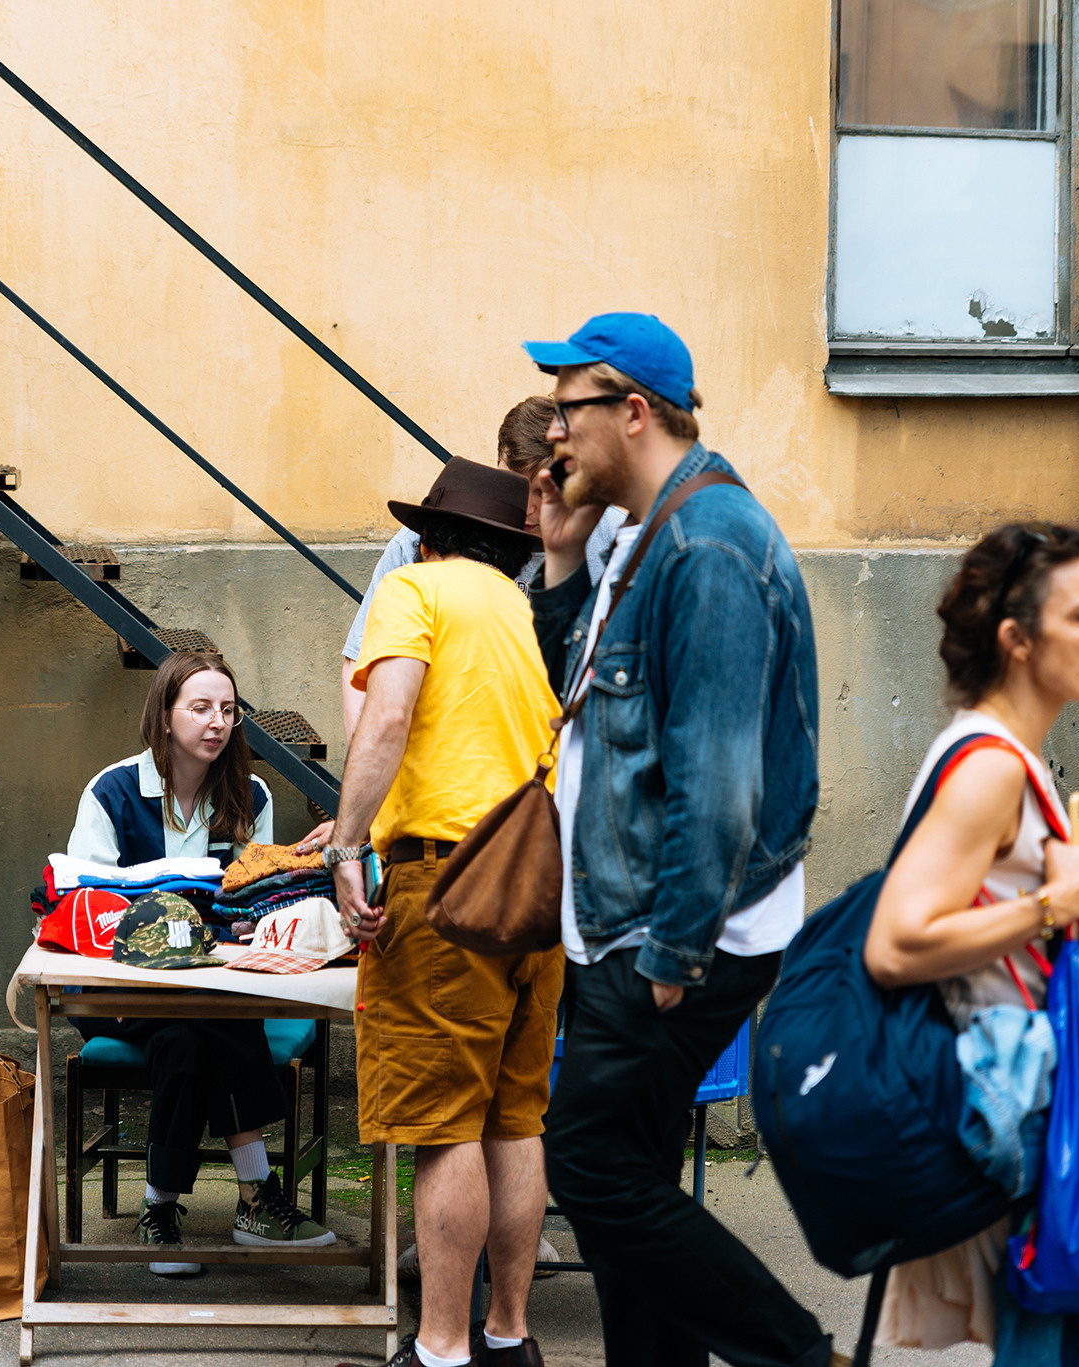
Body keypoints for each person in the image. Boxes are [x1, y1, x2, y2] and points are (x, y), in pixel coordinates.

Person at [526, 313, 830, 1367]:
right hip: (629, 921)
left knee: (589, 1164)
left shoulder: (707, 546)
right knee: (634, 1173)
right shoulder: (638, 536)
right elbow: (581, 699)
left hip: (668, 933)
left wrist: (668, 956)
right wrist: (561, 563)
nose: (553, 434)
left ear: (633, 411)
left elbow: (717, 783)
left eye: (568, 409)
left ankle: (791, 1350)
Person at [865, 524, 1079, 1367]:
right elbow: (897, 943)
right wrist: (1055, 903)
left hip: (1019, 1101)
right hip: (1016, 1108)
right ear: (1017, 642)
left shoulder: (1003, 755)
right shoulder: (989, 767)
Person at [324, 457, 563, 1367]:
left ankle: (440, 1350)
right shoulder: (527, 618)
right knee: (515, 1118)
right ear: (509, 552)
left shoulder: (413, 590)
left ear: (428, 539)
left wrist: (347, 846)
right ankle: (509, 1335)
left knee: (445, 1124)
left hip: (445, 879)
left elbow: (384, 721)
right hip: (534, 882)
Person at [65, 650, 334, 1275]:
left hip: (210, 990)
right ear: (164, 716)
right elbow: (86, 903)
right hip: (120, 991)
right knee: (211, 1016)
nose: (217, 721)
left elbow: (253, 895)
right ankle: (259, 1194)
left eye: (228, 710)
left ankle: (158, 1206)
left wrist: (246, 920)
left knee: (189, 1036)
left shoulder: (250, 793)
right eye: (201, 707)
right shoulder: (113, 792)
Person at [338, 394, 627, 741]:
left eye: (546, 491)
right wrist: (367, 766)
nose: (530, 509)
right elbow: (360, 663)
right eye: (518, 487)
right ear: (497, 463)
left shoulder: (614, 537)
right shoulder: (426, 537)